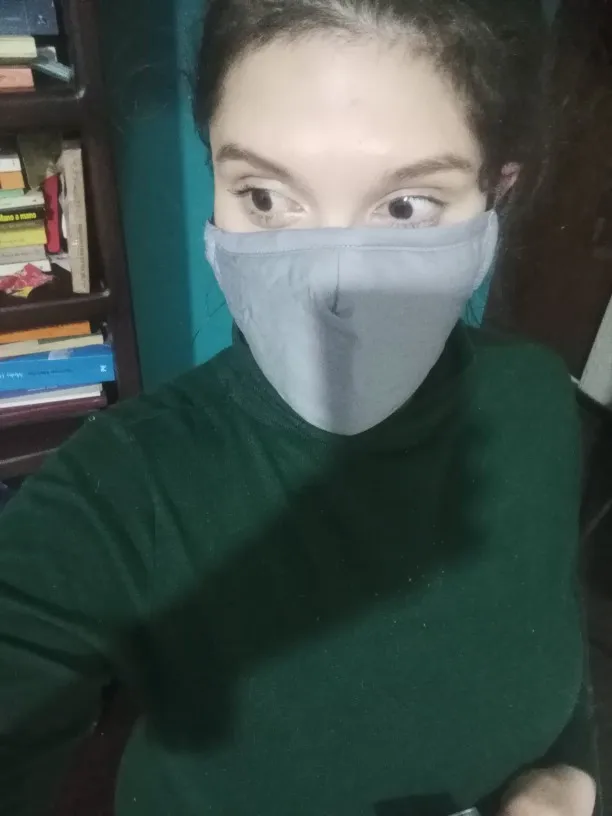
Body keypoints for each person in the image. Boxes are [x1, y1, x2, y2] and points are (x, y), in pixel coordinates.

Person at [0, 1, 599, 814]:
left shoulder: (535, 402)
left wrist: (566, 776)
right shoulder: (122, 492)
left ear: (496, 195)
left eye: (405, 206)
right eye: (265, 196)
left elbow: (551, 645)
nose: (331, 294)